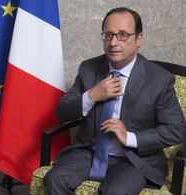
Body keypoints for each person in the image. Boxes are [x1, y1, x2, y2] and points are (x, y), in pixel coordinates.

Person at [44, 7, 186, 195]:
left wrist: (130, 137)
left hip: (134, 159)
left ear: (138, 39)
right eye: (108, 35)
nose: (113, 42)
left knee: (115, 192)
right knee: (54, 179)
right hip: (89, 152)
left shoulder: (159, 79)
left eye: (122, 35)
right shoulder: (89, 68)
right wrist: (92, 96)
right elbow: (62, 111)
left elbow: (177, 130)